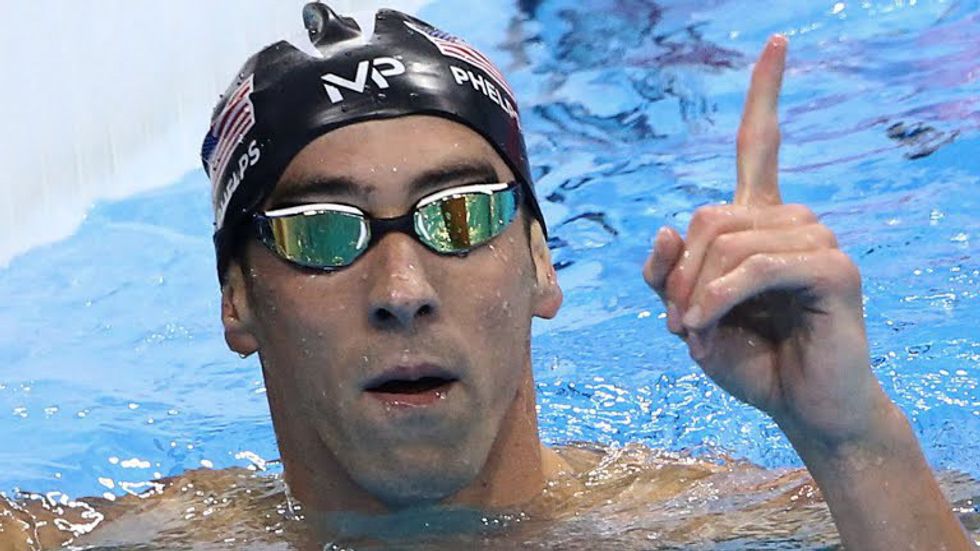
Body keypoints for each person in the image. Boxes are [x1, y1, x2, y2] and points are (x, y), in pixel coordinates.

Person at [1, 3, 974, 549]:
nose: (402, 288)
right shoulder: (134, 535)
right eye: (321, 231)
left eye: (458, 214)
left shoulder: (722, 520)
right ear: (238, 297)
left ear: (542, 261)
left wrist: (850, 435)